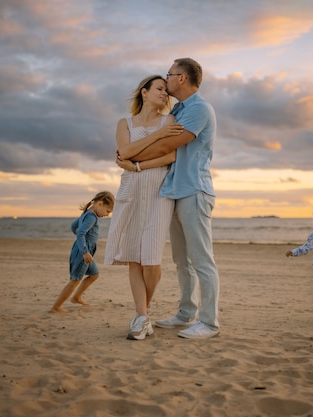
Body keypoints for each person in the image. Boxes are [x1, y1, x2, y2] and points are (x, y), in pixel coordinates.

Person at [120, 58, 220, 339]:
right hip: (175, 191)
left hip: (194, 190)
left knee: (202, 260)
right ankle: (186, 313)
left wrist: (131, 157)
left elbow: (167, 145)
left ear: (182, 79)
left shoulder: (199, 108)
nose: (167, 79)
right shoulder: (180, 109)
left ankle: (209, 323)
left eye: (170, 74)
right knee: (182, 260)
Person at [104, 75, 183, 341]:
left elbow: (169, 156)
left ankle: (142, 313)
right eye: (160, 89)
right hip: (130, 192)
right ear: (144, 92)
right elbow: (124, 152)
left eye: (167, 91)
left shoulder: (169, 121)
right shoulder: (124, 123)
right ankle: (141, 318)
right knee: (134, 257)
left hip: (159, 192)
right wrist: (153, 140)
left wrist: (137, 163)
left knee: (151, 259)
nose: (165, 94)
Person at [51, 191, 115, 313]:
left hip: (86, 252)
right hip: (83, 253)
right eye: (107, 211)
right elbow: (80, 233)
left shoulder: (87, 213)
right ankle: (56, 307)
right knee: (75, 279)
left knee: (94, 274)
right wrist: (84, 251)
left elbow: (73, 226)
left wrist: (84, 245)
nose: (107, 215)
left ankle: (76, 297)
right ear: (100, 204)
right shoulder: (91, 217)